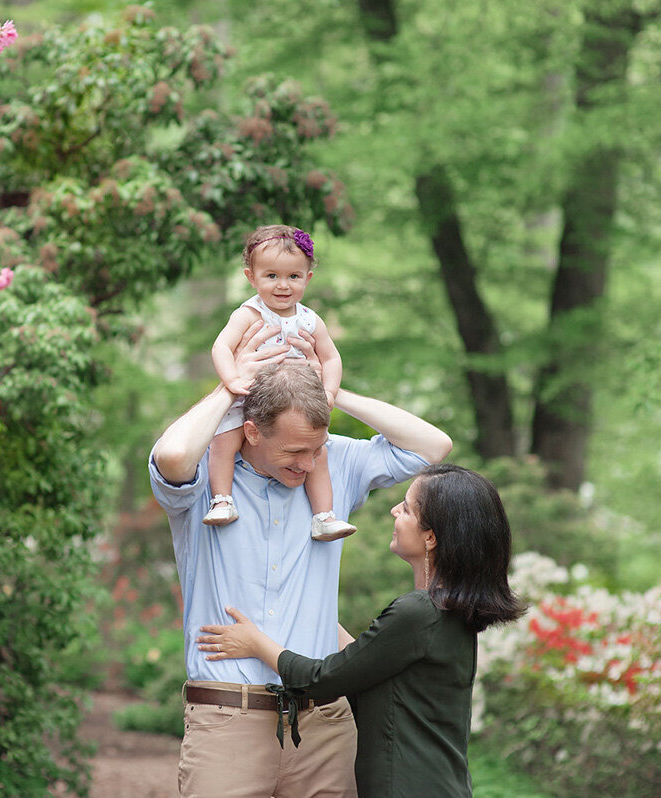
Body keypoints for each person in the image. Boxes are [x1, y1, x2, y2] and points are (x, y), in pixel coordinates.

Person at [149, 326, 452, 798]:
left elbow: (433, 448)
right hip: (228, 721)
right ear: (251, 431)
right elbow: (170, 454)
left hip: (325, 726)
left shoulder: (330, 464)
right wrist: (230, 387)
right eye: (294, 451)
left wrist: (332, 391)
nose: (309, 465)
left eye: (317, 448)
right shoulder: (209, 477)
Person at [196, 464, 527, 798]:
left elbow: (321, 679)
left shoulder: (418, 612)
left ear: (431, 537)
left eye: (407, 508)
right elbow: (368, 669)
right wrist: (306, 607)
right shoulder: (449, 613)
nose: (394, 510)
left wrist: (255, 643)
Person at [203, 224, 355, 542]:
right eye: (271, 276)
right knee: (224, 441)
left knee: (317, 453)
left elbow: (331, 358)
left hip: (296, 402)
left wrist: (329, 390)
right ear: (251, 277)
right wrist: (231, 380)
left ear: (307, 278)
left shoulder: (311, 319)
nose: (283, 286)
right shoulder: (248, 314)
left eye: (293, 277)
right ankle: (222, 499)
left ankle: (323, 515)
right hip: (249, 396)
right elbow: (221, 347)